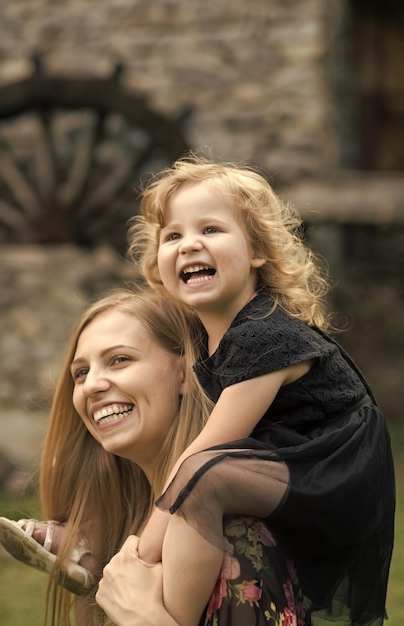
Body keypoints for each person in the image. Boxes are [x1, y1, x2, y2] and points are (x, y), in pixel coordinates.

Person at [113, 154, 395, 626]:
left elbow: (206, 450)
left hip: (334, 471)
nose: (189, 245)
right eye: (173, 235)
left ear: (257, 252)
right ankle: (95, 549)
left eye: (211, 230)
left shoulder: (265, 335)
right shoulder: (208, 337)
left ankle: (154, 610)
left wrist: (141, 554)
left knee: (204, 476)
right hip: (291, 460)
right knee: (196, 474)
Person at [0, 288, 307, 626]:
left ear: (185, 374)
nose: (92, 385)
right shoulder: (122, 541)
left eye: (119, 359)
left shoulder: (234, 531)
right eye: (80, 372)